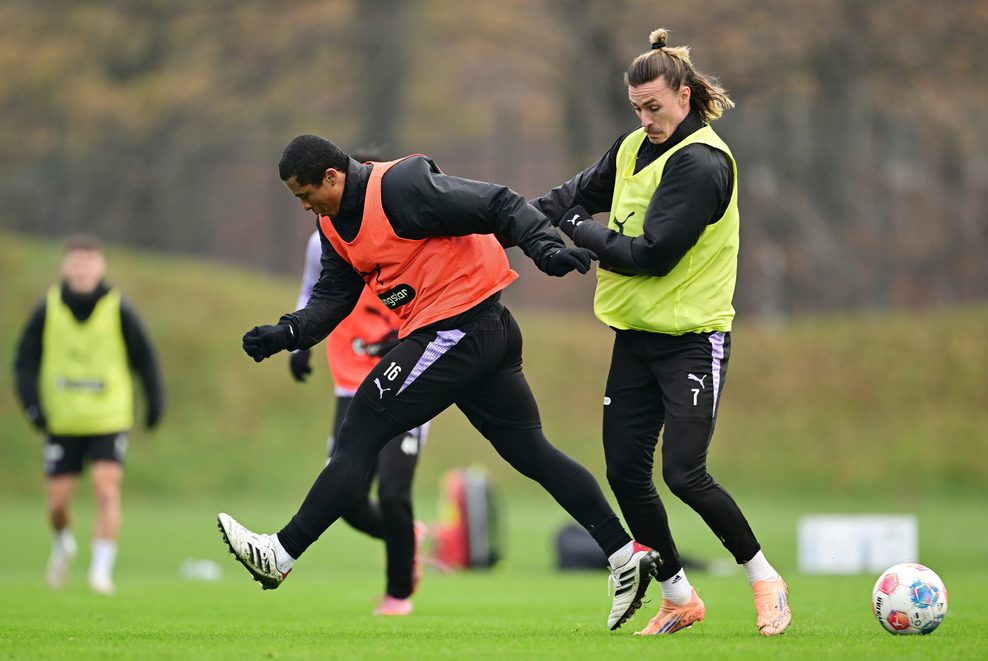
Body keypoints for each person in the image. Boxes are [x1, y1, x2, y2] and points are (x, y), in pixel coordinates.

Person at [218, 134, 659, 631]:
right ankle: (625, 554)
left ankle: (280, 553)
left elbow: (499, 202)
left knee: (359, 430)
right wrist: (288, 333)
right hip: (475, 333)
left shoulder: (401, 186)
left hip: (460, 326)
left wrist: (545, 249)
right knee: (532, 452)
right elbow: (332, 300)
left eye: (305, 194)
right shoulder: (332, 228)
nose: (303, 207)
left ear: (332, 177)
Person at [531, 28, 792, 636]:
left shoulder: (701, 162)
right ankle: (677, 595)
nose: (645, 118)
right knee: (624, 469)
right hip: (637, 338)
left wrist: (575, 228)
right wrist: (497, 222)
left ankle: (763, 576)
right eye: (636, 108)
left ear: (683, 95)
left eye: (655, 106)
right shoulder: (631, 147)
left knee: (684, 473)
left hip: (693, 341)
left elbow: (650, 256)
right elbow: (568, 197)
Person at [14, 233, 164, 595]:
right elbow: (24, 362)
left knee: (106, 488)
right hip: (63, 420)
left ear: (100, 267)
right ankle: (64, 545)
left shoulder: (118, 308)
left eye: (89, 262)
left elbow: (145, 358)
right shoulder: (47, 308)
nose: (82, 269)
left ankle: (100, 572)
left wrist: (155, 401)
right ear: (66, 267)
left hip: (108, 419)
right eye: (76, 262)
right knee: (58, 504)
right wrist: (32, 405)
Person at [289, 227, 428, 616]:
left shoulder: (413, 233)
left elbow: (436, 296)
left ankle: (398, 596)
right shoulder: (322, 242)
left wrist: (405, 336)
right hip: (351, 383)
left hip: (408, 379)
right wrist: (301, 341)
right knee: (345, 498)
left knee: (393, 493)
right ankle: (407, 537)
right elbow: (310, 290)